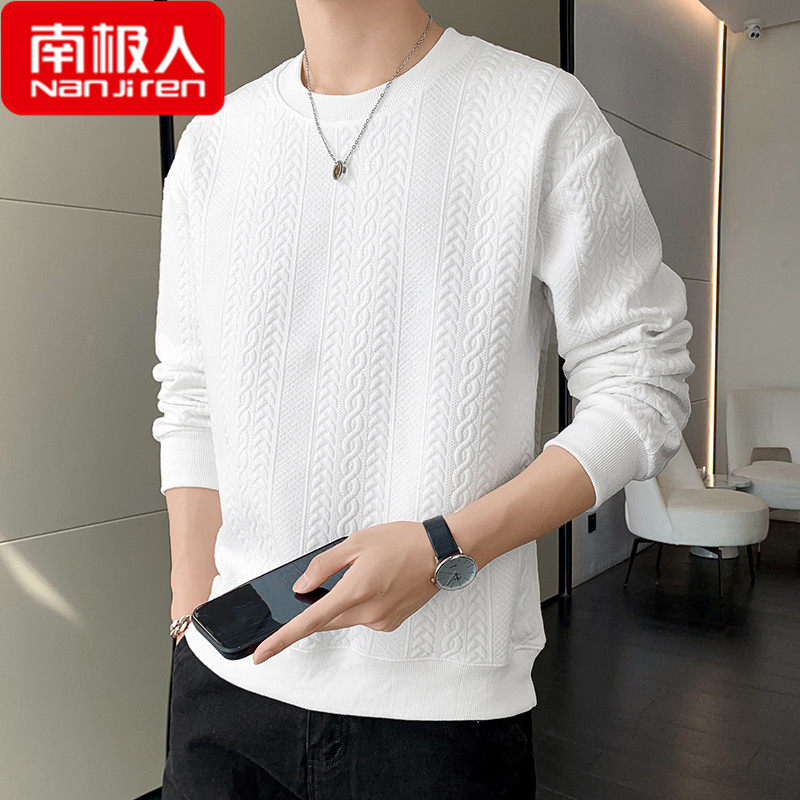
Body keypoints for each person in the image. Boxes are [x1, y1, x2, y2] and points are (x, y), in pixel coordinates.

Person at [152, 2, 694, 798]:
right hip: (223, 696)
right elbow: (192, 396)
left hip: (438, 716)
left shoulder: (535, 112)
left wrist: (447, 548)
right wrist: (188, 613)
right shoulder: (213, 143)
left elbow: (643, 382)